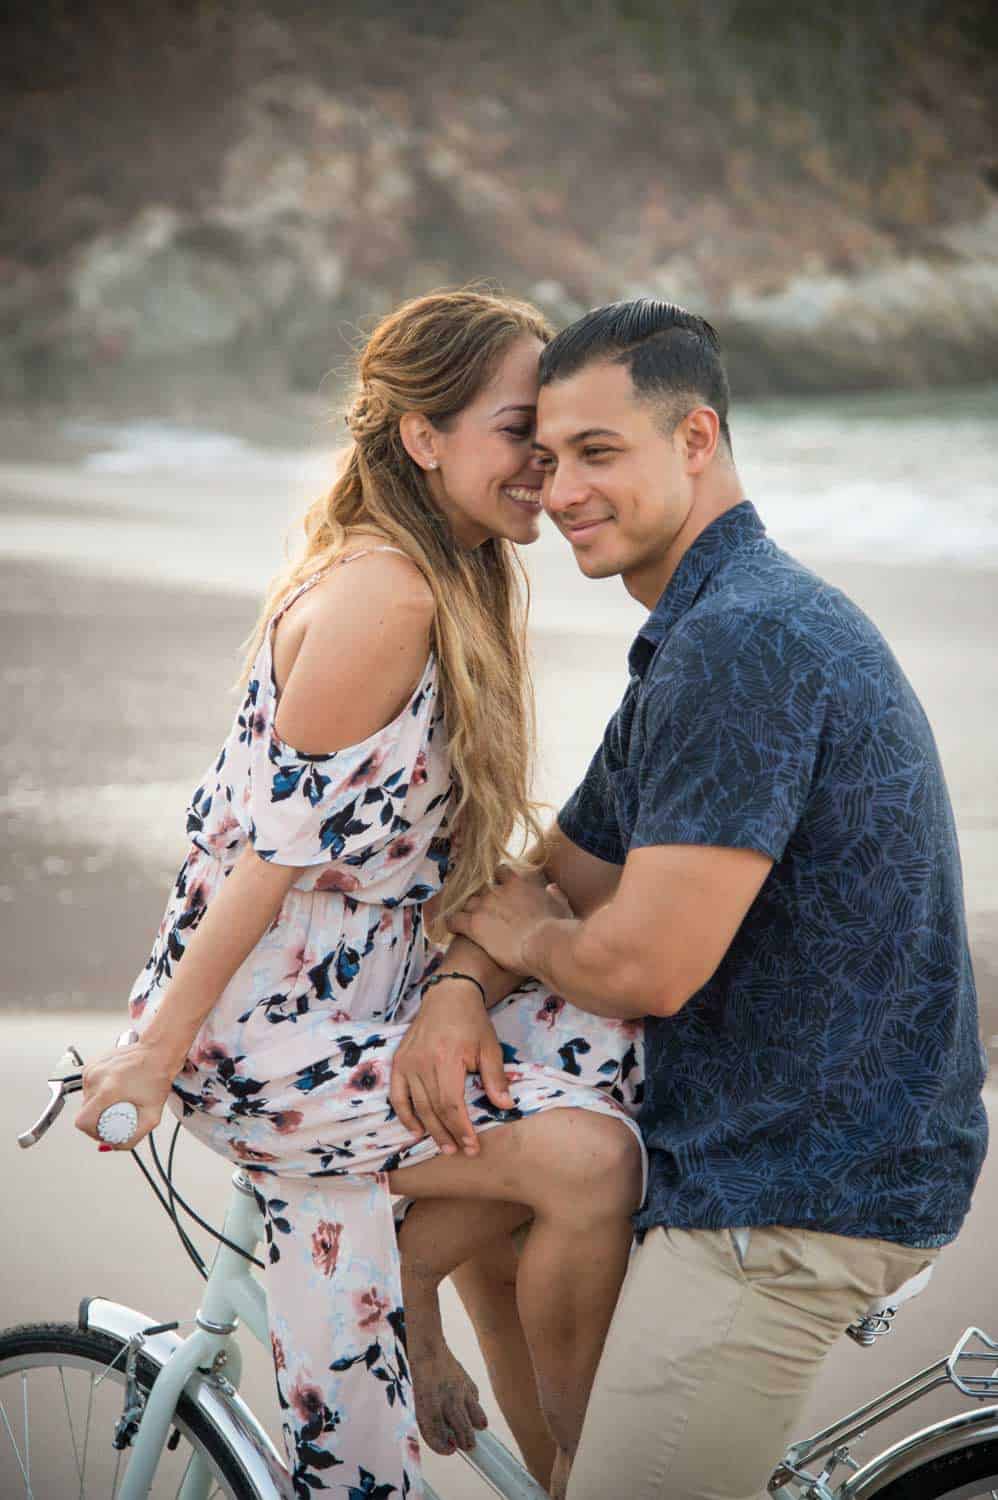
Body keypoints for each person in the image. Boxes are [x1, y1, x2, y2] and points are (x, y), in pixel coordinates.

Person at [394, 298, 990, 1500]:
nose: (560, 491)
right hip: (754, 1150)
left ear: (695, 439)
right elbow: (561, 874)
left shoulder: (744, 644)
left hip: (794, 1190)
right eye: (548, 459)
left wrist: (531, 938)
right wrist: (464, 981)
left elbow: (640, 966)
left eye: (599, 453)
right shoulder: (708, 628)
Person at [74, 289, 646, 1500]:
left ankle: (410, 1287)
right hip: (266, 1039)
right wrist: (150, 1053)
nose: (544, 466)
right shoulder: (385, 594)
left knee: (610, 1031)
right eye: (516, 432)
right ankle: (616, 1473)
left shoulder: (466, 579)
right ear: (422, 437)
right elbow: (258, 864)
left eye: (554, 436)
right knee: (588, 1160)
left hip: (368, 1009)